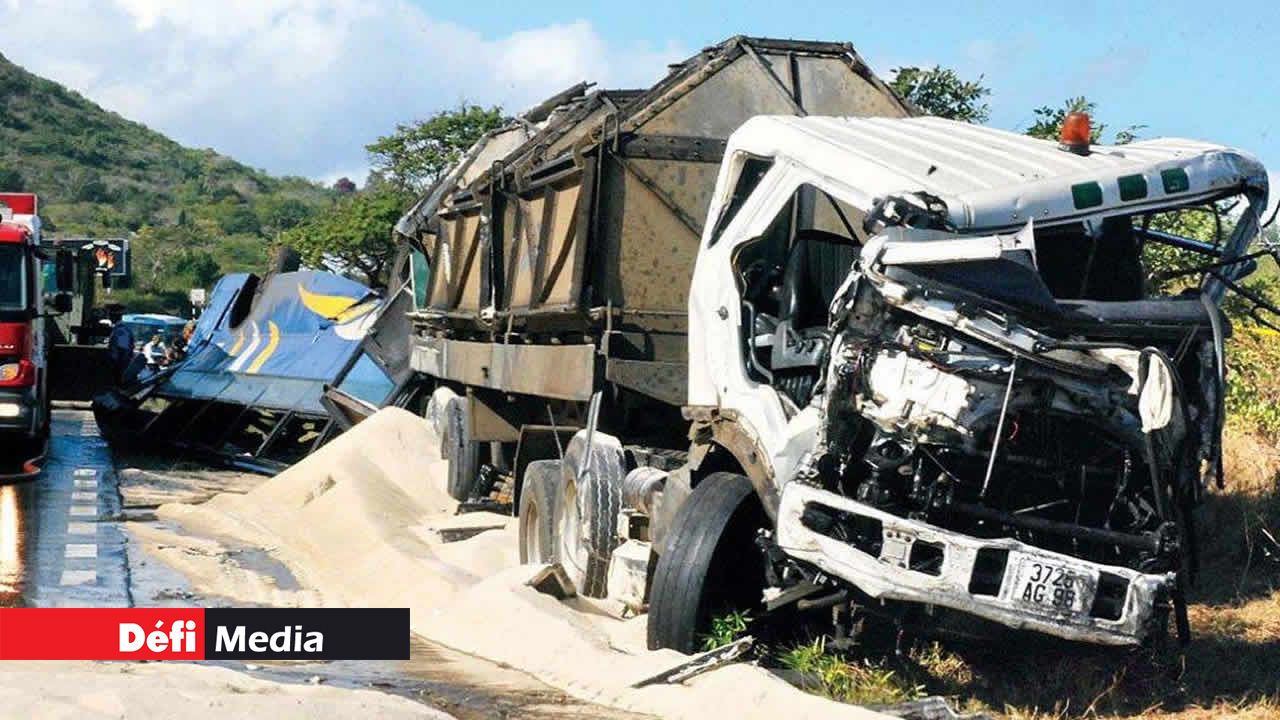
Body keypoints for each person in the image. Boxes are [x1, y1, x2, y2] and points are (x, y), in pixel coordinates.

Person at [106, 317, 135, 384]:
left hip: (118, 363)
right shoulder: (118, 328)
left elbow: (123, 349)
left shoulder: (121, 329)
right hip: (118, 362)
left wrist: (117, 362)